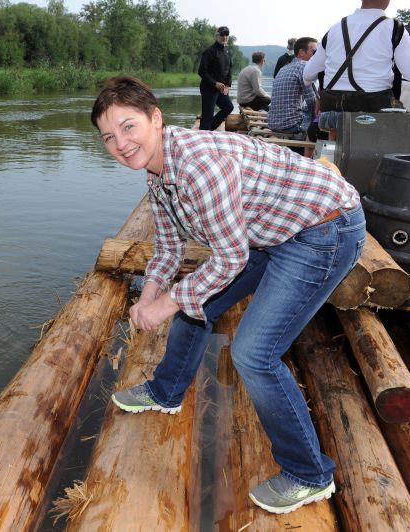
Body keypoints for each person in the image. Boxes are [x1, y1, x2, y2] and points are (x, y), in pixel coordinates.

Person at [92, 76, 365, 515]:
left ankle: (309, 475)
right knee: (197, 302)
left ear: (155, 119)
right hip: (269, 231)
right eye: (108, 137)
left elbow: (230, 258)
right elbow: (167, 247)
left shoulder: (199, 166)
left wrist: (166, 303)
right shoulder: (159, 174)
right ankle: (167, 392)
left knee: (254, 354)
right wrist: (150, 295)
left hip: (324, 229)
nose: (121, 143)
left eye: (128, 127)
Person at [303, 0, 410, 115]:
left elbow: (308, 75)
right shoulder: (394, 28)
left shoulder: (334, 29)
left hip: (332, 108)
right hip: (373, 110)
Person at [268, 37, 318, 139]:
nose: (316, 56)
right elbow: (312, 101)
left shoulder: (283, 68)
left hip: (273, 124)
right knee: (322, 121)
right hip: (292, 126)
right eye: (314, 52)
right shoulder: (305, 67)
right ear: (301, 52)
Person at [198, 26, 233, 131]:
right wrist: (214, 83)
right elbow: (201, 71)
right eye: (222, 34)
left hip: (221, 89)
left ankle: (209, 129)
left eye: (226, 35)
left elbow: (229, 70)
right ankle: (204, 135)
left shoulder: (226, 52)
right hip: (209, 88)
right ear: (217, 36)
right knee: (207, 116)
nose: (224, 37)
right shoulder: (209, 51)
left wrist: (227, 85)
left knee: (228, 107)